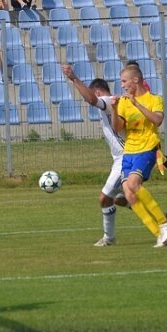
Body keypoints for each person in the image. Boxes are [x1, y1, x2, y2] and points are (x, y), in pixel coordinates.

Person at [62, 65, 129, 246]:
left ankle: (109, 238)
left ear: (98, 91)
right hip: (121, 158)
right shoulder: (112, 103)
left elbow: (91, 100)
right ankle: (159, 218)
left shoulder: (107, 100)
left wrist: (74, 78)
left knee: (104, 198)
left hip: (124, 158)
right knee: (120, 199)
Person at [110, 64, 167, 248]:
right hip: (129, 151)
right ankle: (159, 233)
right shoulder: (122, 102)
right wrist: (114, 110)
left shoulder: (154, 99)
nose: (122, 85)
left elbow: (158, 120)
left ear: (135, 80)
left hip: (148, 148)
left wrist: (137, 104)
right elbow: (117, 128)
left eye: (124, 81)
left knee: (133, 184)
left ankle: (163, 222)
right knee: (129, 195)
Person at [124, 60, 167, 194]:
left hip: (147, 130)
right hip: (135, 133)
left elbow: (147, 103)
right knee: (161, 158)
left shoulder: (143, 87)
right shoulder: (128, 86)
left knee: (159, 157)